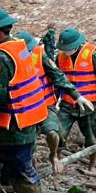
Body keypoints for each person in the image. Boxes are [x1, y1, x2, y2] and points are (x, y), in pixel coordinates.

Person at [0, 9, 90, 193]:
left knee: (22, 172)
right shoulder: (19, 45)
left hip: (13, 124)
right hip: (22, 119)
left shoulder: (1, 56)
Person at [54, 28, 96, 171]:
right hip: (68, 104)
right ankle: (56, 159)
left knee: (91, 137)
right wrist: (52, 102)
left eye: (68, 48)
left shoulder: (92, 55)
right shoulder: (59, 58)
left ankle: (92, 165)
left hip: (90, 105)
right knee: (59, 133)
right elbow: (57, 81)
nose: (66, 51)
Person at [18, 30, 77, 175]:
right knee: (29, 147)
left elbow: (58, 76)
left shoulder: (40, 55)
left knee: (53, 132)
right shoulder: (12, 60)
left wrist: (77, 96)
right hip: (25, 109)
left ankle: (54, 154)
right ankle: (32, 173)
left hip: (45, 104)